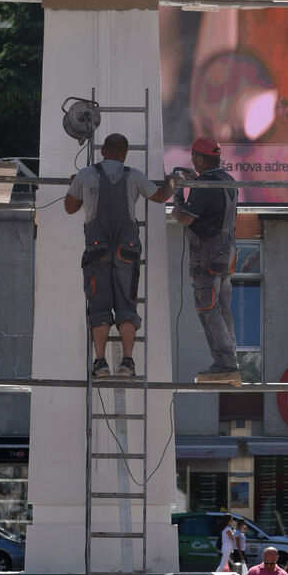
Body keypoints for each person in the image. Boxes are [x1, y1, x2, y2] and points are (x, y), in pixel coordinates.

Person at [64, 132, 175, 381]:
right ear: (124, 154)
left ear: (102, 151)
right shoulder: (133, 175)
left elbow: (69, 208)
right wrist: (173, 181)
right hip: (127, 251)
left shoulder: (85, 175)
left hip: (97, 250)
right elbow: (160, 196)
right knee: (126, 305)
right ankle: (127, 363)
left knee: (99, 307)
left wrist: (76, 187)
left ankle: (101, 363)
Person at [170, 135, 241, 386]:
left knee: (208, 309)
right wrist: (196, 182)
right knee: (222, 308)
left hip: (208, 253)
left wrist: (178, 191)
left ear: (200, 159)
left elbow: (184, 218)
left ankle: (225, 363)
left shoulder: (205, 185)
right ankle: (230, 359)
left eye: (194, 160)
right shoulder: (228, 180)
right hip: (227, 250)